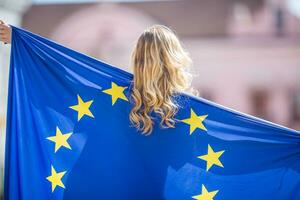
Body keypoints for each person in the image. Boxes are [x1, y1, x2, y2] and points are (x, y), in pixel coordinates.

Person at [0, 21, 193, 134]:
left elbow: (64, 75)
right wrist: (20, 42)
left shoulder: (115, 95)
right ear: (174, 60)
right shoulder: (189, 111)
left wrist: (21, 43)